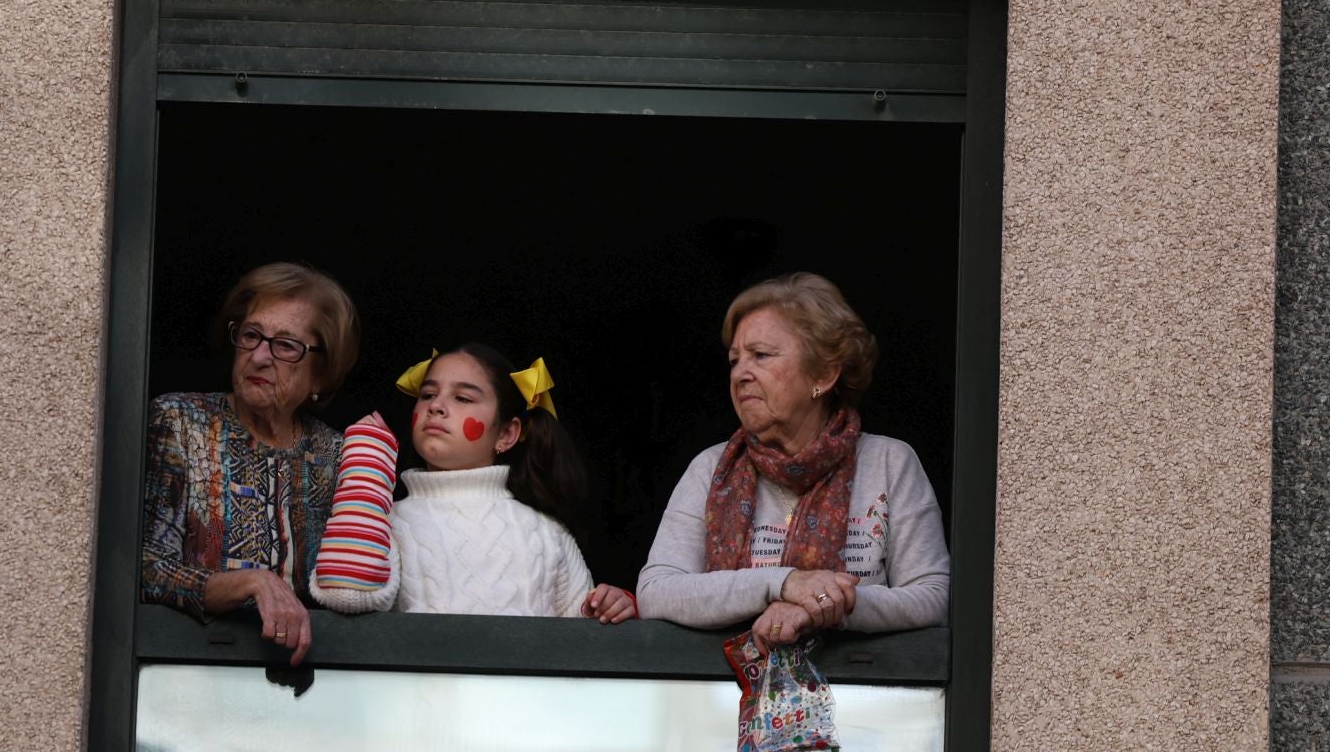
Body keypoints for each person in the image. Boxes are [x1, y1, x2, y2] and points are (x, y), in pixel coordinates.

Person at [637, 272, 948, 646]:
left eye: (761, 356)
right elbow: (657, 591)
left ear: (824, 373)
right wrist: (783, 584)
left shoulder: (888, 463)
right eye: (735, 360)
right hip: (721, 697)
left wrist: (823, 608)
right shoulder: (709, 468)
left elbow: (934, 596)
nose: (740, 375)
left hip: (862, 696)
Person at [309, 344, 636, 621]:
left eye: (463, 398)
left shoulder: (546, 534)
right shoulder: (384, 523)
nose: (436, 406)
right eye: (428, 394)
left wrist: (607, 607)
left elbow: (583, 643)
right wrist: (365, 470)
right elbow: (345, 595)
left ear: (507, 434)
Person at [141, 262, 360, 665]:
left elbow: (357, 593)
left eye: (286, 345)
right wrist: (251, 582)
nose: (260, 356)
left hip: (309, 683)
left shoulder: (338, 454)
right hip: (187, 672)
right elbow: (147, 570)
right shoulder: (180, 421)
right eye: (251, 335)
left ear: (321, 374)